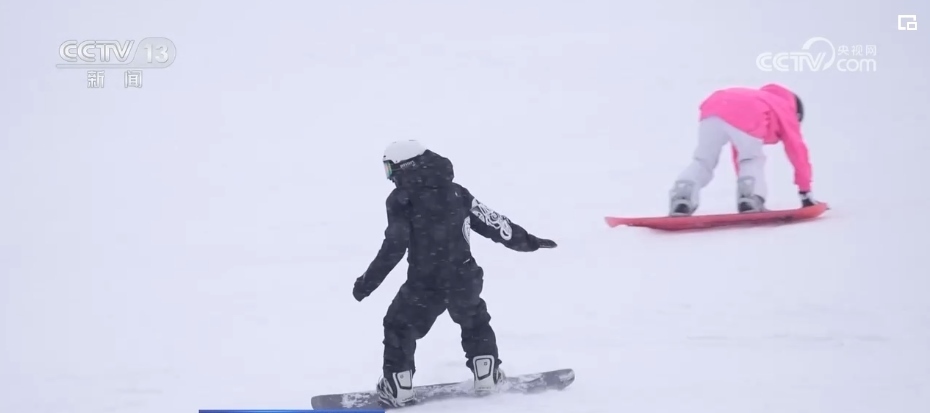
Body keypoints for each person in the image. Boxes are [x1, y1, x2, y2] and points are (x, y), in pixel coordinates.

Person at [352, 140, 557, 407]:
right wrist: (528, 241)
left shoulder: (400, 200)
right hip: (464, 278)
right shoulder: (458, 193)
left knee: (399, 326)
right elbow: (494, 223)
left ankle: (398, 388)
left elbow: (393, 247)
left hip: (424, 284)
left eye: (391, 169)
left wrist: (367, 283)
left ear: (408, 166)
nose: (390, 177)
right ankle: (486, 375)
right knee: (474, 321)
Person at [668, 83, 819, 216]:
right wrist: (805, 191)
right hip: (748, 111)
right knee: (751, 160)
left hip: (713, 106)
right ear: (797, 114)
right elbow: (797, 150)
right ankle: (751, 197)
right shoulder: (785, 107)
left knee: (703, 160)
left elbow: (738, 152)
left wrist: (743, 184)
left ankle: (683, 196)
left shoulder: (762, 98)